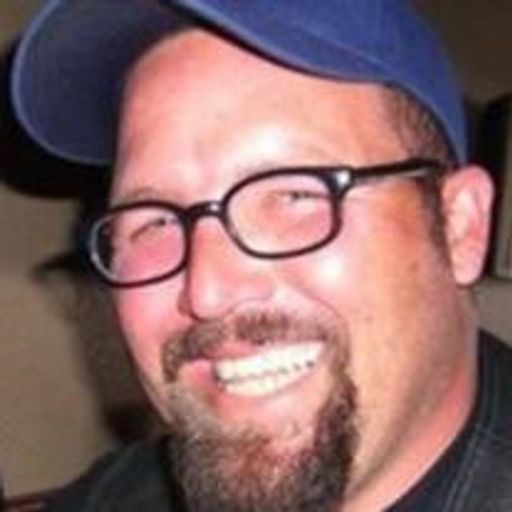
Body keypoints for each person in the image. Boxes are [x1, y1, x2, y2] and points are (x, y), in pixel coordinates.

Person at [9, 1, 511, 511]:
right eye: (154, 221)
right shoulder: (123, 493)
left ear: (460, 226)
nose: (207, 292)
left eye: (294, 193)